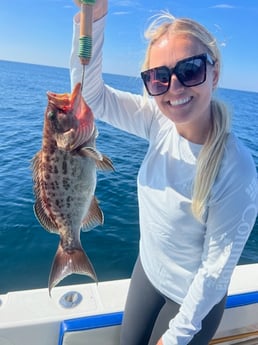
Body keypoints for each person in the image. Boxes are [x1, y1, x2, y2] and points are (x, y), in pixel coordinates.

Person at [71, 1, 258, 344]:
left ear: (214, 74)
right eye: (158, 78)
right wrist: (92, 19)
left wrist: (177, 336)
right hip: (148, 272)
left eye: (189, 70)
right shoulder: (159, 121)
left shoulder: (236, 168)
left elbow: (214, 273)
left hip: (193, 299)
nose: (174, 87)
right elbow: (90, 97)